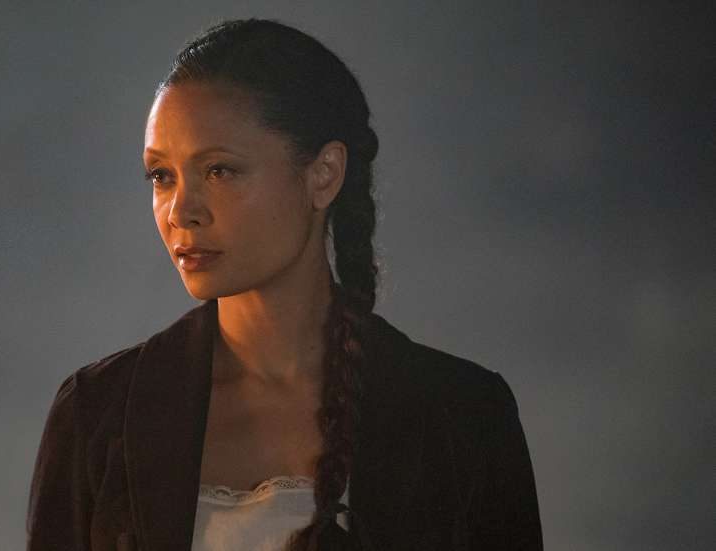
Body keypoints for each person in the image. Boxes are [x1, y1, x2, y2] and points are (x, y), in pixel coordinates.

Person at [27, 17, 542, 551]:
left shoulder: (463, 416)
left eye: (219, 170)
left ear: (324, 174)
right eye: (162, 176)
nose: (181, 211)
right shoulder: (99, 414)